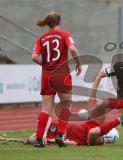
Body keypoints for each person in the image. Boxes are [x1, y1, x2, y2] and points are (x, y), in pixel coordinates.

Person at [32, 11, 81, 147]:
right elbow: (73, 49)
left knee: (45, 109)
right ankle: (60, 135)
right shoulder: (65, 34)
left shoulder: (41, 38)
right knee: (66, 104)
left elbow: (34, 57)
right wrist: (78, 62)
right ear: (60, 21)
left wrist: (45, 64)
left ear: (48, 23)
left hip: (47, 75)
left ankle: (38, 139)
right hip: (61, 73)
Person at [26, 107, 123, 146]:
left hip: (87, 129)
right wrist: (50, 140)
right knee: (93, 132)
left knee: (94, 127)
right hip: (87, 138)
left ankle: (121, 116)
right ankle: (120, 119)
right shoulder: (47, 139)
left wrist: (43, 134)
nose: (34, 137)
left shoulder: (50, 128)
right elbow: (74, 143)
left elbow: (47, 118)